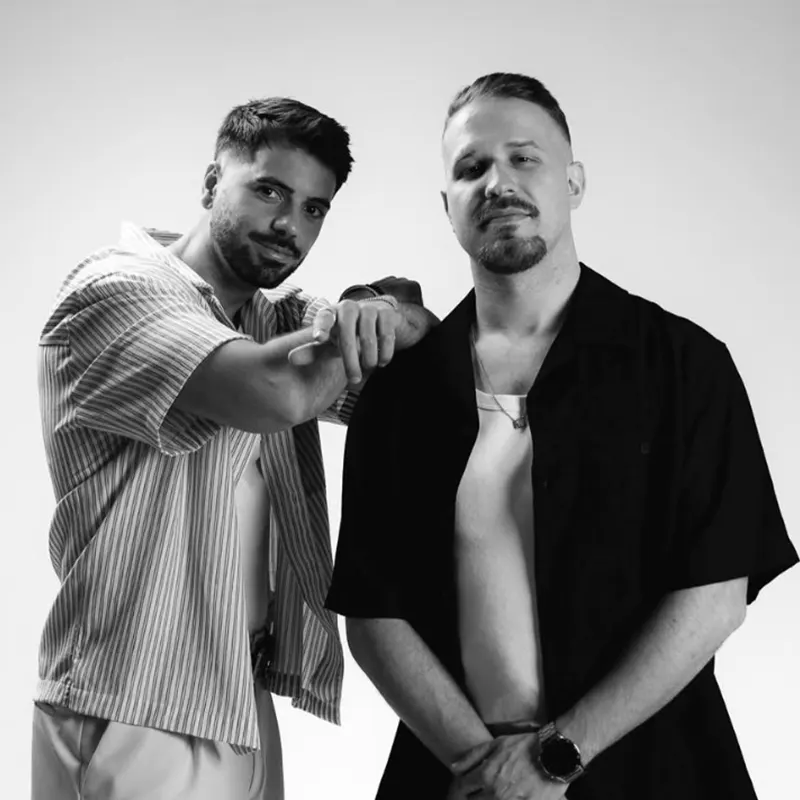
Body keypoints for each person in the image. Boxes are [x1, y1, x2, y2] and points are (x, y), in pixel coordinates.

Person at [325, 72, 798, 800]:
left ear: (573, 182)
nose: (498, 182)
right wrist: (489, 773)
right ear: (447, 206)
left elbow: (714, 595)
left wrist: (556, 758)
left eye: (524, 158)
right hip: (458, 777)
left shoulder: (682, 363)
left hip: (658, 770)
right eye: (472, 168)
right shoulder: (400, 389)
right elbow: (372, 612)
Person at [32, 97, 436, 800]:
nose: (289, 224)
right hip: (135, 705)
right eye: (269, 191)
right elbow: (277, 392)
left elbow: (423, 365)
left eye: (314, 208)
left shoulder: (271, 319)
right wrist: (363, 325)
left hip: (237, 697)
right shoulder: (116, 292)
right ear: (212, 182)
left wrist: (381, 305)